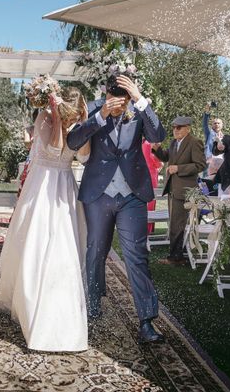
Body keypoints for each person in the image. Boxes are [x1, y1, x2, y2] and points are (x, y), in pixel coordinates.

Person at [67, 72, 167, 344]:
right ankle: (92, 307)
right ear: (106, 92)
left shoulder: (139, 109)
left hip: (132, 195)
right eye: (114, 97)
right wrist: (99, 117)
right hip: (98, 195)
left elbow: (158, 134)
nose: (119, 104)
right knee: (96, 251)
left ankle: (146, 321)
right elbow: (73, 142)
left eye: (124, 98)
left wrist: (140, 100)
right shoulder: (93, 109)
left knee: (136, 255)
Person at [0, 86, 91, 352]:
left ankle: (61, 299)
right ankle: (30, 297)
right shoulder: (44, 118)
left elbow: (83, 156)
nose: (71, 120)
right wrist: (59, 119)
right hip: (45, 183)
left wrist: (84, 124)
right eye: (68, 115)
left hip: (65, 187)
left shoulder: (79, 123)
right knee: (37, 239)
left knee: (64, 244)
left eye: (73, 116)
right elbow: (55, 149)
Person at [152, 117, 206, 265]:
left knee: (177, 225)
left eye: (179, 127)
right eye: (174, 127)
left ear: (187, 128)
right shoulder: (174, 142)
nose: (175, 130)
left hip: (185, 191)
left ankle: (176, 258)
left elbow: (200, 165)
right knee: (175, 225)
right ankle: (177, 255)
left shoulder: (195, 142)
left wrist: (179, 169)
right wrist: (157, 150)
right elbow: (166, 157)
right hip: (173, 189)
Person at [141, 140, 163, 234]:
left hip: (141, 176)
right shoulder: (150, 145)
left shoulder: (140, 143)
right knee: (150, 203)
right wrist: (161, 164)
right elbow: (157, 161)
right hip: (151, 177)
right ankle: (148, 229)